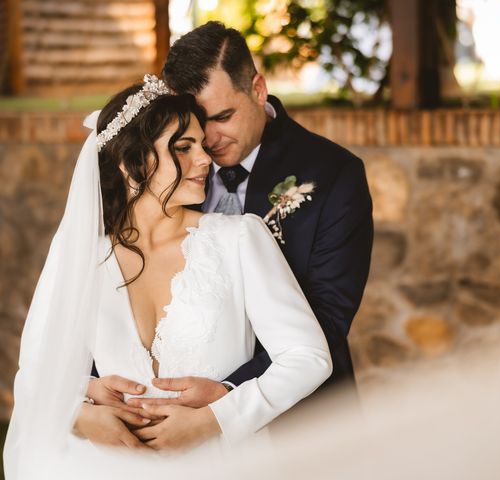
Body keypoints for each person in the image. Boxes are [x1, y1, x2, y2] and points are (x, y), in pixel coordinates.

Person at [3, 75, 332, 479]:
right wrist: (81, 417)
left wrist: (215, 419)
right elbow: (35, 373)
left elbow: (308, 357)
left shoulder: (239, 239)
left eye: (201, 145)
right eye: (183, 147)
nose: (205, 159)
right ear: (132, 162)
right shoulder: (82, 255)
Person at [103, 21, 374, 414]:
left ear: (258, 89)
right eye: (194, 125)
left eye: (222, 116)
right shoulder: (165, 176)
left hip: (302, 416)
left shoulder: (334, 174)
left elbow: (328, 317)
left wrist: (231, 393)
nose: (208, 141)